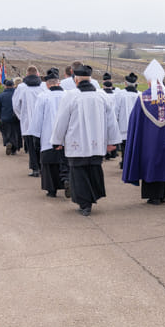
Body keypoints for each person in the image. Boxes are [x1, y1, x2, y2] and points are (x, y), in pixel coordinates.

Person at [51, 64, 121, 216]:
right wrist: (112, 142)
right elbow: (112, 121)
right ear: (90, 79)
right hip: (97, 143)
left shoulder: (70, 96)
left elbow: (61, 120)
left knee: (79, 173)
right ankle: (92, 197)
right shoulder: (102, 95)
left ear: (75, 79)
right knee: (94, 170)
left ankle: (84, 203)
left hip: (77, 143)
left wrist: (57, 141)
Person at [122, 60, 165, 205]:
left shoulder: (142, 98)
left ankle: (153, 196)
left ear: (149, 81)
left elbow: (135, 121)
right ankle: (164, 194)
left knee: (151, 161)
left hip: (149, 139)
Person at [31, 69, 70, 197]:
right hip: (66, 137)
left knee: (49, 163)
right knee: (65, 161)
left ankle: (51, 189)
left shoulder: (43, 96)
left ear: (47, 84)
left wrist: (36, 136)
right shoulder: (68, 95)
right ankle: (66, 181)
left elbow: (37, 118)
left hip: (48, 136)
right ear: (59, 83)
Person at [13, 66, 46, 177]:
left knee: (31, 147)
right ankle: (43, 168)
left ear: (26, 75)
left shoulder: (22, 87)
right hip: (42, 122)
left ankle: (35, 168)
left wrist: (21, 117)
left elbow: (16, 105)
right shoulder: (43, 86)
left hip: (27, 122)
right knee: (41, 146)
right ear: (37, 74)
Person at [114, 72, 139, 169]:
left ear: (125, 83)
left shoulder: (120, 94)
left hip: (124, 124)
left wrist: (116, 120)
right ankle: (133, 164)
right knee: (134, 145)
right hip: (136, 125)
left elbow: (116, 109)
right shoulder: (139, 95)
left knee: (125, 145)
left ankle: (125, 162)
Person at [0, 79, 21, 155]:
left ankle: (8, 142)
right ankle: (14, 149)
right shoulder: (17, 94)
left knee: (5, 133)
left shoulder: (1, 96)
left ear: (5, 86)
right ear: (13, 86)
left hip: (4, 118)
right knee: (15, 133)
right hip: (16, 118)